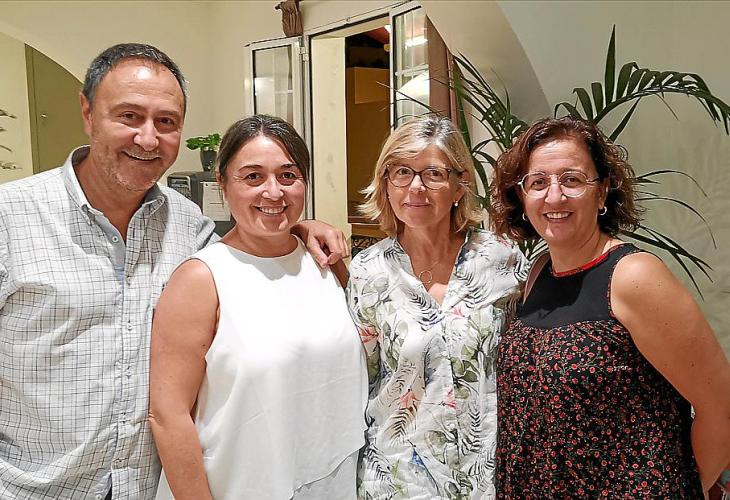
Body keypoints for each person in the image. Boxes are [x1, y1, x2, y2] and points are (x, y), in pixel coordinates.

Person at [0, 44, 347, 500]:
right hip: (37, 489)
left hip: (148, 486)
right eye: (129, 116)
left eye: (166, 122)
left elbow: (247, 259)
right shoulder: (10, 218)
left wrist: (298, 229)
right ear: (87, 112)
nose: (148, 139)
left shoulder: (188, 226)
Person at [490, 116, 730, 498]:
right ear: (521, 196)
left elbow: (720, 409)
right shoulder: (539, 272)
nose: (554, 196)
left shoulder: (633, 276)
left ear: (602, 192)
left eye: (572, 180)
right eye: (538, 182)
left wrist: (677, 490)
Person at [148, 115, 367, 500]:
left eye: (288, 176)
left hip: (333, 483)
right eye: (253, 177)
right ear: (222, 184)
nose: (273, 192)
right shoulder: (202, 278)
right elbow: (168, 416)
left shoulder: (324, 262)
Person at [347, 116, 526, 499]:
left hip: (486, 474)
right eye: (401, 172)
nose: (416, 187)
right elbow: (363, 378)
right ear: (386, 183)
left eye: (433, 174)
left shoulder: (501, 258)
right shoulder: (368, 271)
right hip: (398, 478)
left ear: (460, 184)